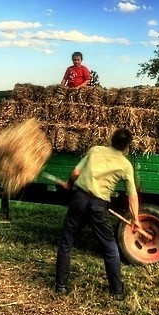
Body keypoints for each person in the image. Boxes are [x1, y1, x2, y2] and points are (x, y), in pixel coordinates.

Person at [54, 128, 141, 301]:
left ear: (111, 139)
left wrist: (69, 184)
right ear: (127, 147)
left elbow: (76, 173)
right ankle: (117, 291)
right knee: (109, 247)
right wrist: (136, 219)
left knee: (66, 242)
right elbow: (132, 196)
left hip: (79, 199)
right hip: (99, 206)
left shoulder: (95, 150)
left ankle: (61, 286)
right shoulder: (125, 165)